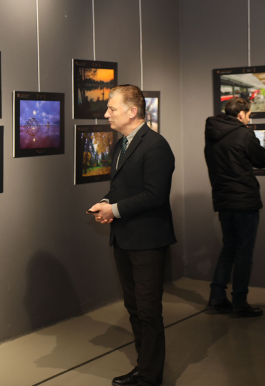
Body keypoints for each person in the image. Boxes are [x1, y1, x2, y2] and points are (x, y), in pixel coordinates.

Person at [88, 85, 176, 386]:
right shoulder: (121, 145)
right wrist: (106, 203)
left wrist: (114, 210)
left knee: (148, 311)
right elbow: (121, 189)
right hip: (124, 238)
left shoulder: (156, 146)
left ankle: (150, 377)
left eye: (112, 108)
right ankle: (144, 367)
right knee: (134, 307)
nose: (106, 114)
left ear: (132, 111)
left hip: (148, 241)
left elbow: (155, 195)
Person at [204, 97, 265, 318]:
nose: (249, 119)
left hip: (223, 200)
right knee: (243, 252)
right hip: (244, 201)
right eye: (249, 115)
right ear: (241, 114)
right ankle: (240, 302)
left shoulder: (211, 135)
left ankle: (217, 297)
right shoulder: (244, 134)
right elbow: (262, 160)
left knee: (228, 248)